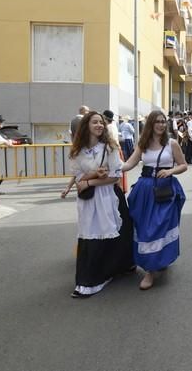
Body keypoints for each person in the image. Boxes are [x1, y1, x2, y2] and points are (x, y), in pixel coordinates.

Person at [65, 111, 135, 298]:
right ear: (86, 125)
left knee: (119, 231)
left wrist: (89, 182)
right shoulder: (77, 150)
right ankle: (89, 281)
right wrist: (92, 175)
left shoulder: (109, 148)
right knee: (91, 236)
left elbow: (114, 177)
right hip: (89, 199)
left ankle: (116, 268)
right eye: (95, 122)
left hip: (108, 195)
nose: (99, 125)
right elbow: (78, 176)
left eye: (101, 123)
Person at [122, 110, 187, 290]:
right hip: (145, 190)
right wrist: (113, 166)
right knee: (145, 229)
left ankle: (152, 269)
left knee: (159, 227)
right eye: (157, 121)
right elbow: (129, 163)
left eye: (163, 121)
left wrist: (170, 171)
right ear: (150, 123)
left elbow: (183, 165)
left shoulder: (172, 143)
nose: (161, 124)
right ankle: (151, 266)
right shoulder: (143, 144)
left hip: (165, 190)